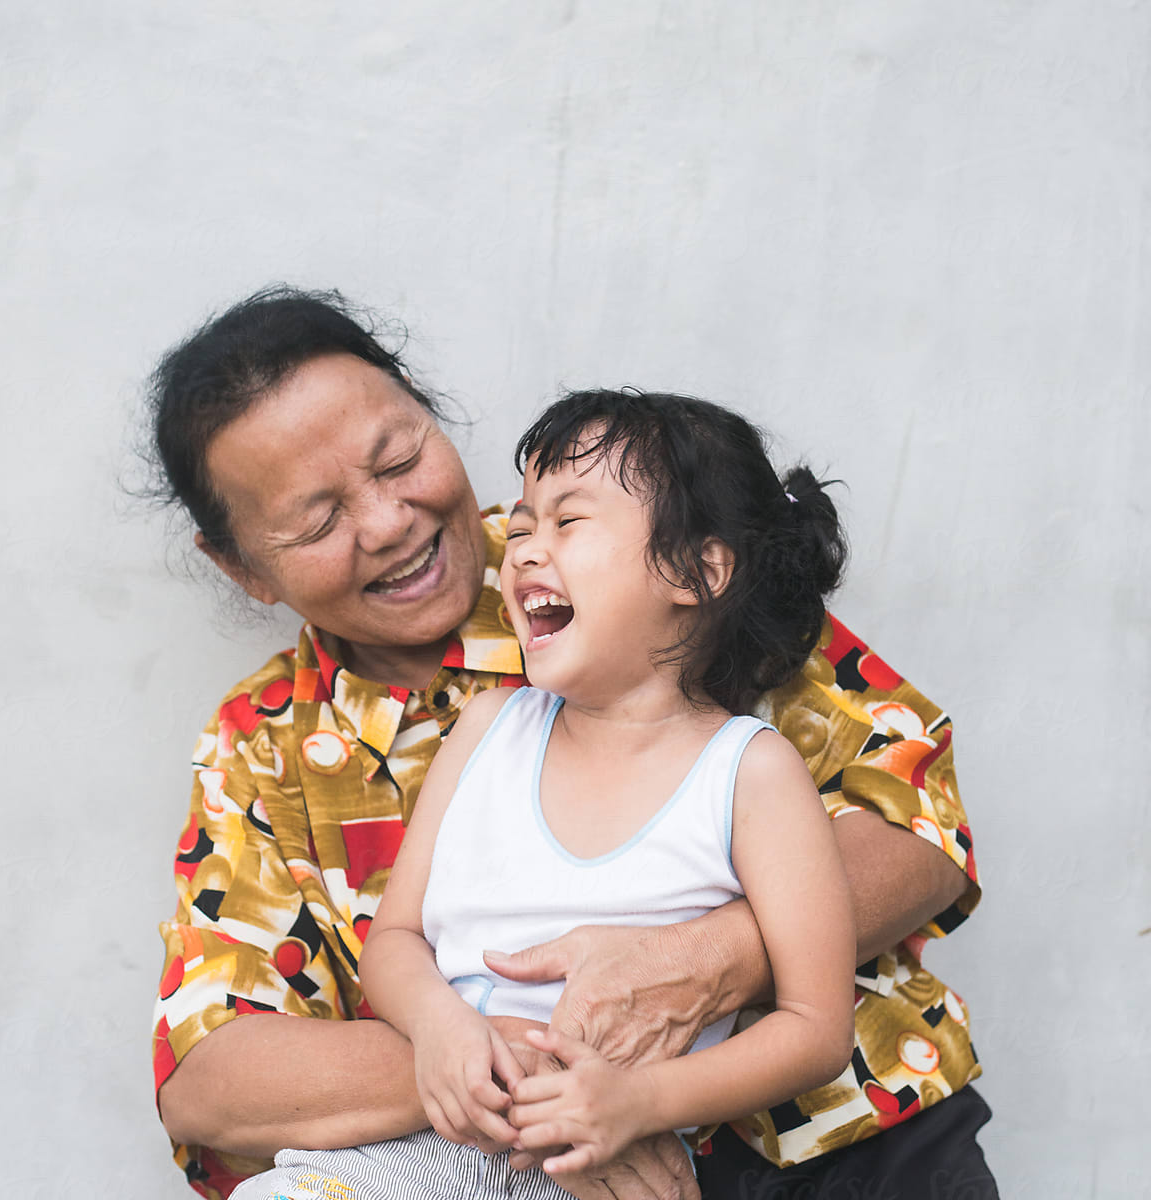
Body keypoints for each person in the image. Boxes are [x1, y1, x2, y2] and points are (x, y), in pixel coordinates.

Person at [149, 286, 993, 1200]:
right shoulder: (263, 743)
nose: (389, 522)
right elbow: (209, 1075)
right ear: (240, 566)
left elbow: (913, 813)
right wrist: (528, 1079)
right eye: (317, 521)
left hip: (842, 1140)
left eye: (400, 459)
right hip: (505, 1160)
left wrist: (703, 962)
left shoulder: (627, 550)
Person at [226, 388, 859, 1200]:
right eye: (522, 523)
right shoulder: (490, 728)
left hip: (604, 1173)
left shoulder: (750, 773)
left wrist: (639, 1101)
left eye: (567, 522)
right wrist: (439, 1030)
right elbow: (396, 941)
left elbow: (815, 1030)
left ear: (698, 571)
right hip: (421, 1146)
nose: (522, 549)